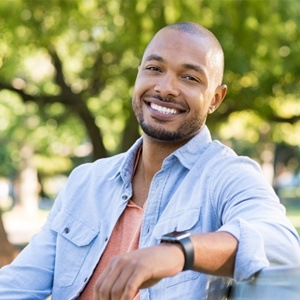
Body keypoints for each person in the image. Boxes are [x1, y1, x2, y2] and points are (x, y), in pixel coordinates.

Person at [0, 21, 299, 300]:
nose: (166, 88)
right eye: (154, 68)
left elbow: (281, 246)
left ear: (215, 99)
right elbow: (18, 285)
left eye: (190, 77)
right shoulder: (85, 181)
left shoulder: (227, 176)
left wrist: (178, 253)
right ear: (139, 75)